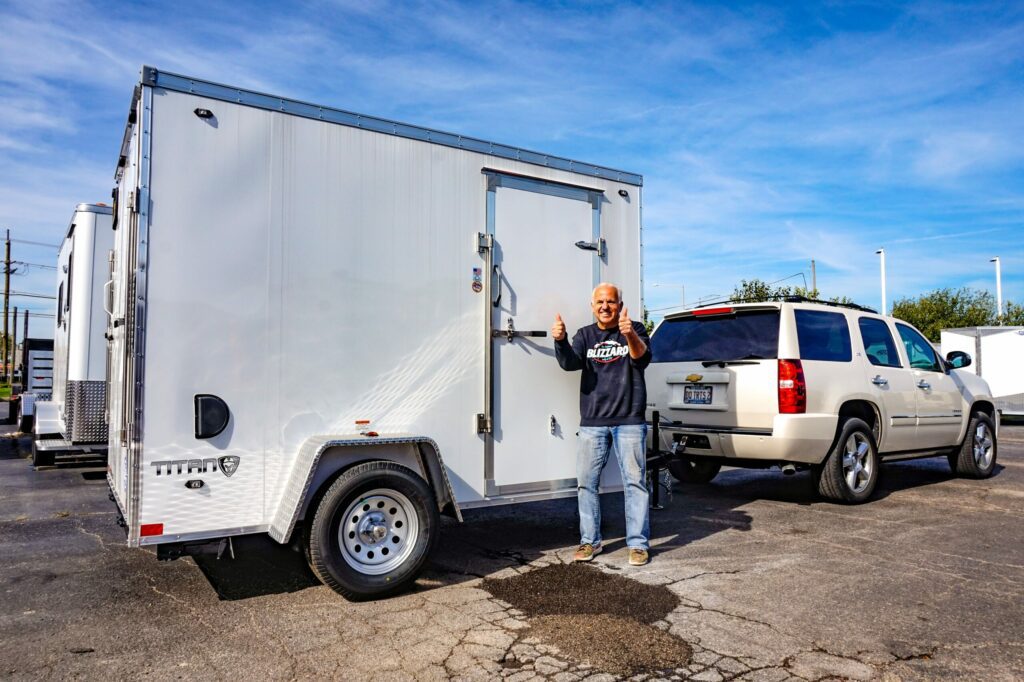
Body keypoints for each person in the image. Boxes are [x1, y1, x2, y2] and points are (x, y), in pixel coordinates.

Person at [552, 282, 652, 566]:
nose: (605, 307)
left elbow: (642, 358)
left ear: (620, 305)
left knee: (635, 484)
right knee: (586, 484)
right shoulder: (585, 335)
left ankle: (638, 545)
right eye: (600, 302)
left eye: (610, 301)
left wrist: (629, 333)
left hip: (629, 419)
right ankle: (590, 541)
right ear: (592, 306)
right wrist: (561, 340)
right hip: (593, 422)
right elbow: (570, 363)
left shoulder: (635, 329)